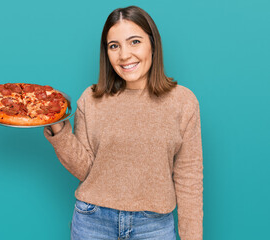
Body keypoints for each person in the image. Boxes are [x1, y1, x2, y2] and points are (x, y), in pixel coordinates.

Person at [44, 5, 203, 240]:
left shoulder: (183, 102)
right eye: (114, 46)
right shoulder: (91, 98)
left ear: (153, 44)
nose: (124, 55)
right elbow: (85, 169)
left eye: (135, 42)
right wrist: (57, 124)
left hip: (154, 228)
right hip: (92, 222)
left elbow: (189, 180)